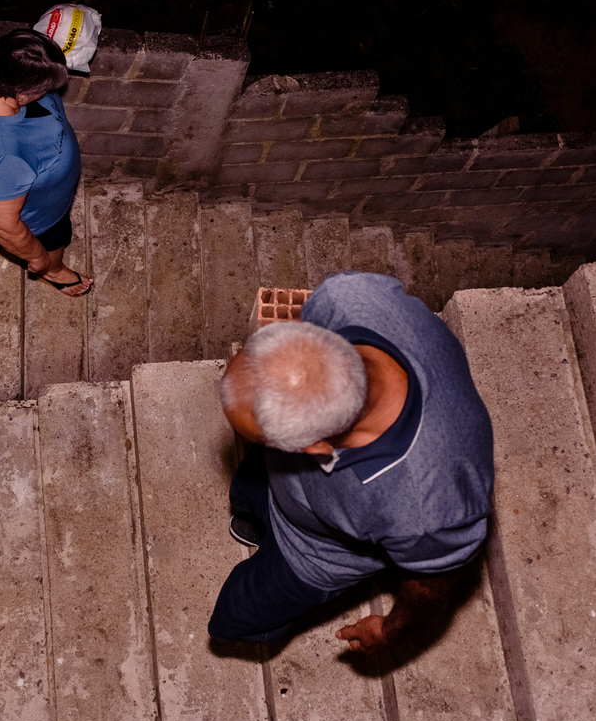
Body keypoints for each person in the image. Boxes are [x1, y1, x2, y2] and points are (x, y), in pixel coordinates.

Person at [209, 271, 494, 651]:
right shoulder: (347, 298)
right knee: (246, 491)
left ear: (315, 449)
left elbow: (432, 586)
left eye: (260, 439)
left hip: (314, 554)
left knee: (234, 617)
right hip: (286, 486)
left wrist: (393, 632)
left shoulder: (429, 509)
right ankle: (256, 519)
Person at [0, 29, 92, 296]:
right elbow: (4, 224)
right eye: (45, 90)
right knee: (47, 246)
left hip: (0, 199)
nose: (49, 93)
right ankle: (55, 273)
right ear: (23, 94)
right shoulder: (4, 157)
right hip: (38, 217)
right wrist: (37, 257)